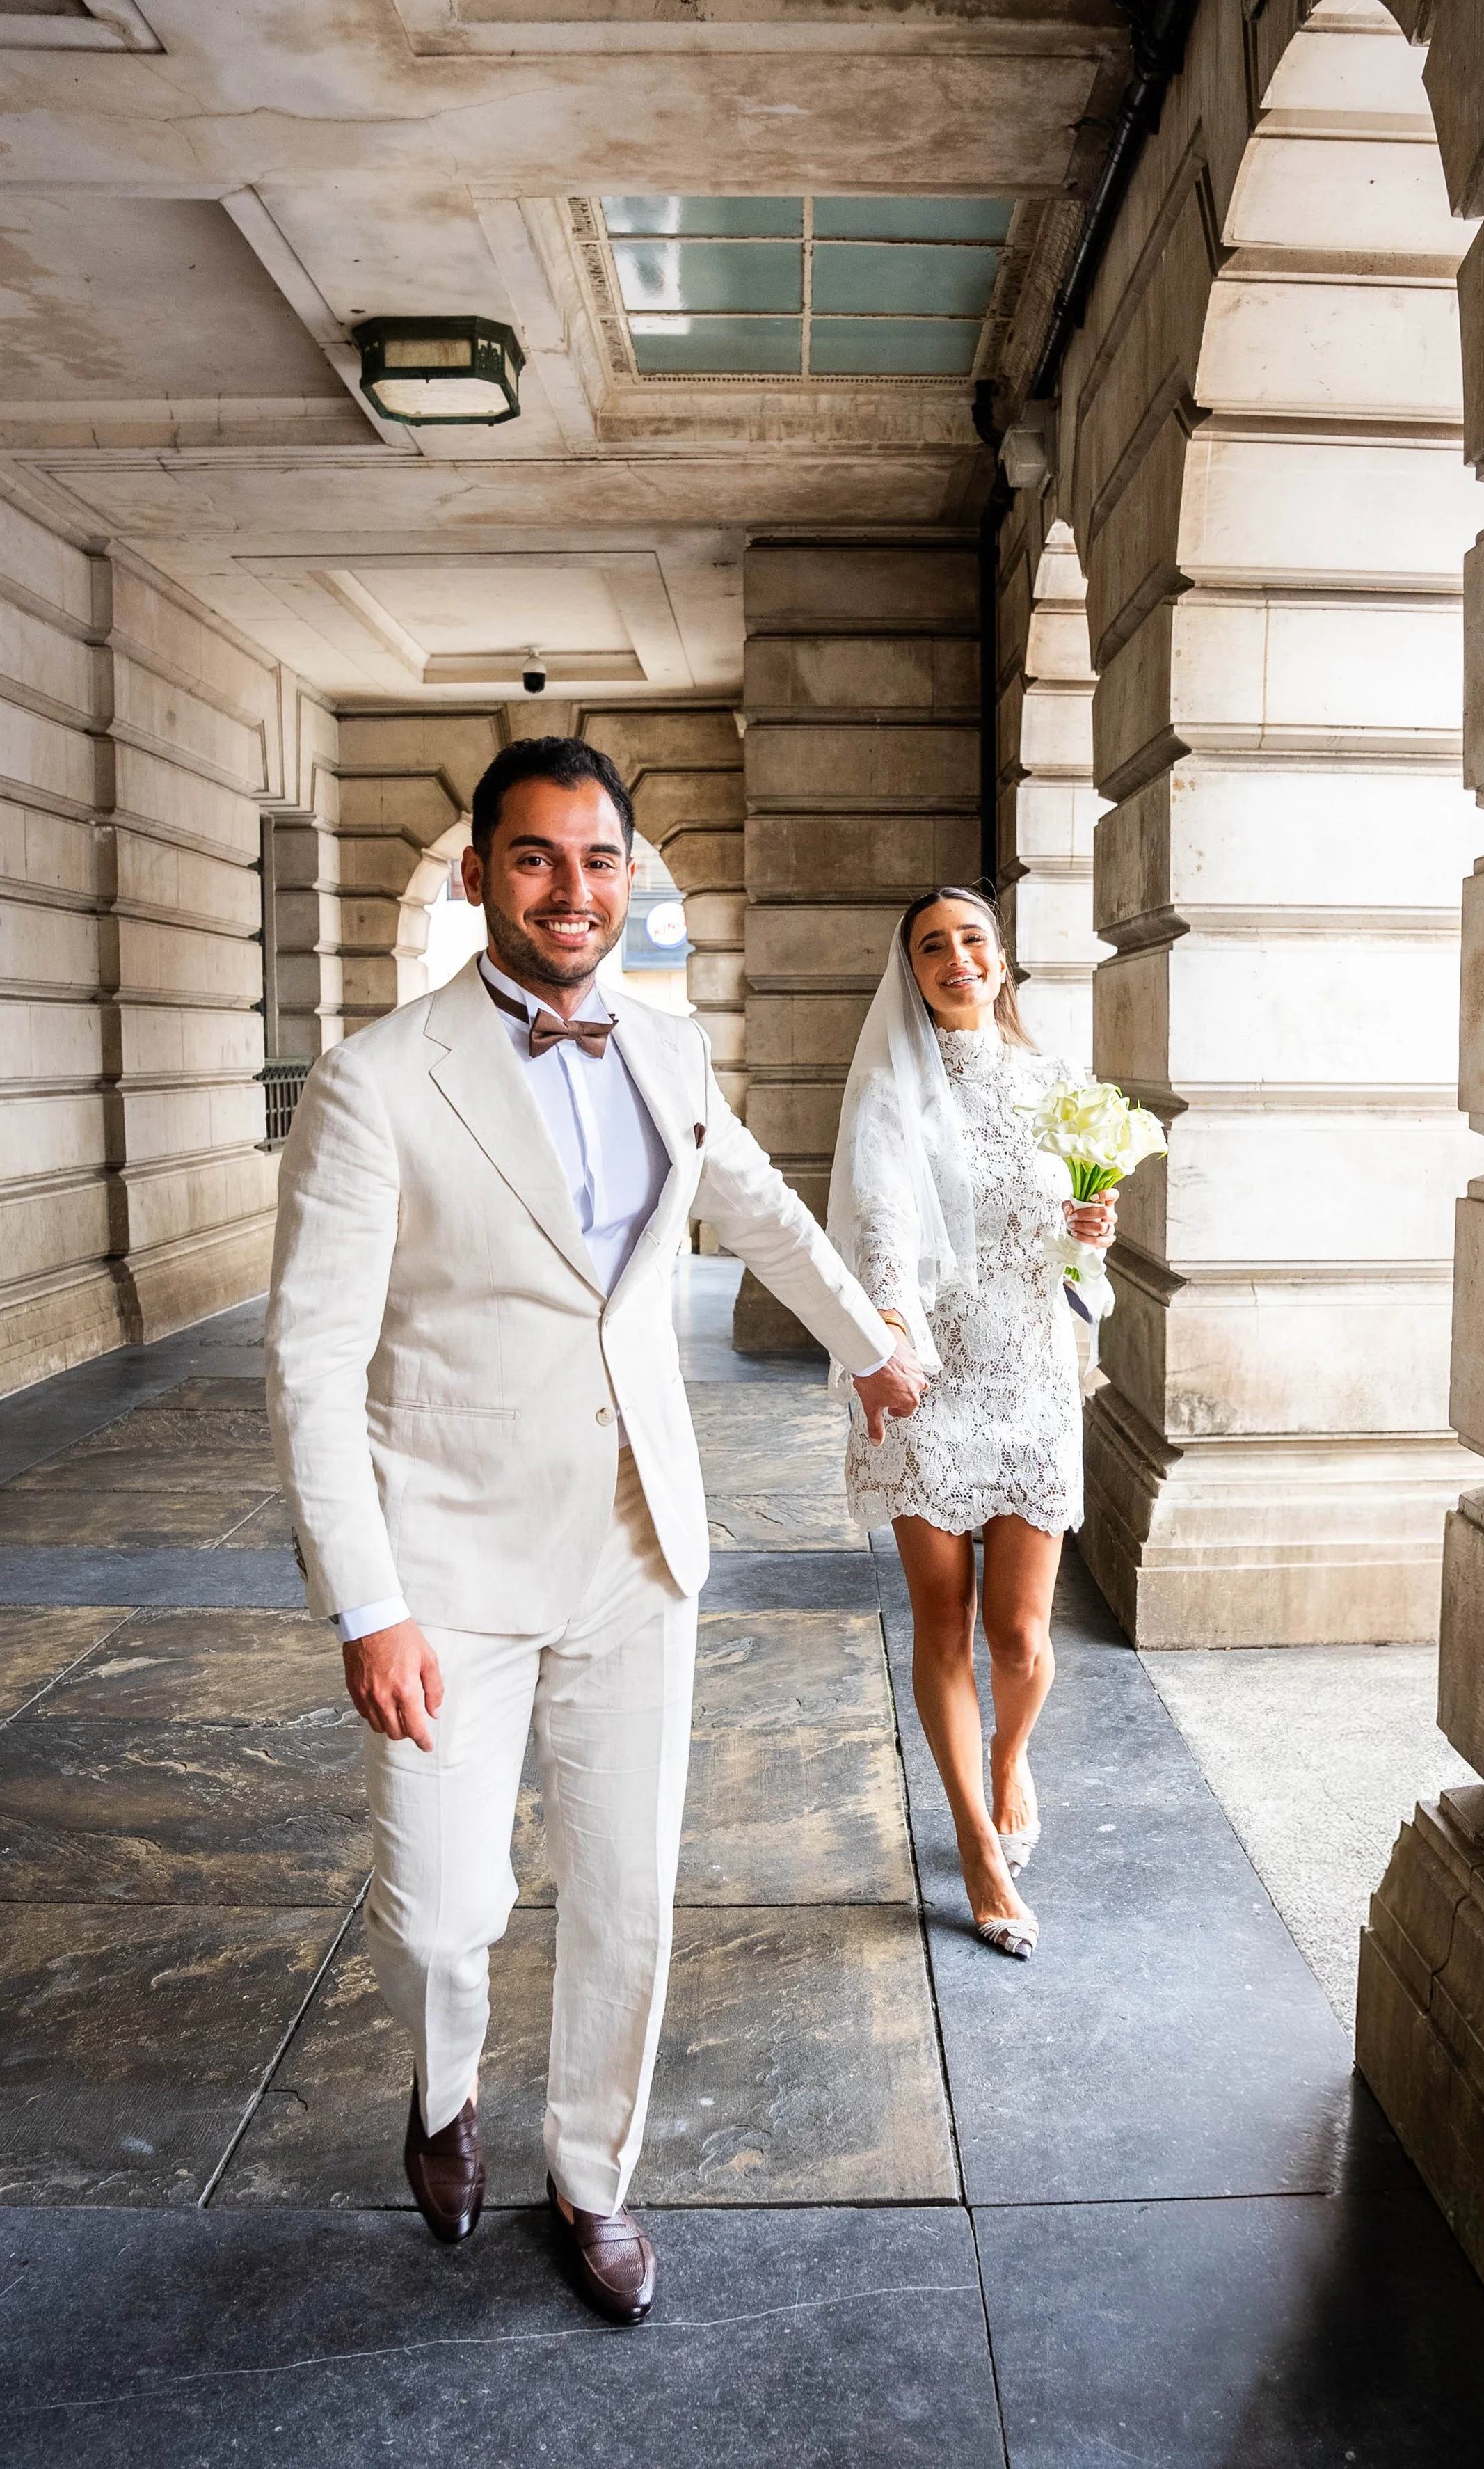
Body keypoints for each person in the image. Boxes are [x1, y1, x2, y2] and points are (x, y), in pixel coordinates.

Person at [266, 733, 925, 2325]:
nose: (573, 888)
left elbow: (757, 1199)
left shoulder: (666, 1043)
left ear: (629, 872)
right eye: (538, 857)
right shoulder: (377, 1078)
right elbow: (308, 1359)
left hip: (639, 1544)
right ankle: (442, 2085)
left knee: (626, 1888)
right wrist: (368, 1606)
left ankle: (590, 2174)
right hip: (446, 1563)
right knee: (441, 1908)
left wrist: (868, 1341)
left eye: (599, 857)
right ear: (486, 869)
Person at [828, 887, 1113, 1962]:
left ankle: (1010, 1755)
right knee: (945, 1629)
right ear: (913, 969)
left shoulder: (1057, 1088)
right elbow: (882, 1216)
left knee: (1025, 1640)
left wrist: (1091, 1229)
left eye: (973, 940)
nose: (957, 958)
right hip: (930, 1386)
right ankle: (976, 1843)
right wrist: (892, 1326)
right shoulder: (894, 1092)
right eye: (933, 946)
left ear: (1002, 959)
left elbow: (1077, 1264)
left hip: (1032, 1379)